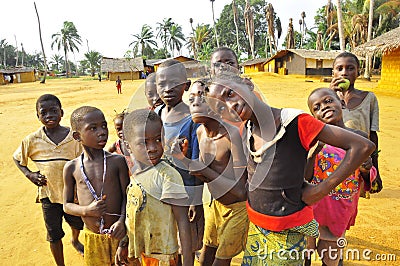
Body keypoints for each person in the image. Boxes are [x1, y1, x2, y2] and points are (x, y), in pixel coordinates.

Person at [205, 73, 375, 265]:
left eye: (230, 94)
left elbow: (362, 147)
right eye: (221, 108)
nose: (230, 106)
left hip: (289, 231)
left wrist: (321, 190)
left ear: (247, 84)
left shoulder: (295, 121)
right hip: (258, 230)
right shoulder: (247, 130)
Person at [305, 88, 377, 266]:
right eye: (317, 107)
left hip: (340, 209)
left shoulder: (358, 138)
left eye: (329, 101)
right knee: (303, 255)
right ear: (314, 116)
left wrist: (367, 169)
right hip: (312, 209)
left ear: (342, 103)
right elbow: (305, 177)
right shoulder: (313, 140)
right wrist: (313, 153)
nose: (324, 107)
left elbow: (368, 173)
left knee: (331, 258)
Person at [182, 79, 249, 266]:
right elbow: (202, 173)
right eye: (191, 98)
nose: (195, 103)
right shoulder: (199, 133)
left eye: (202, 97)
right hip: (213, 203)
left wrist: (203, 170)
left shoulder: (231, 136)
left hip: (236, 209)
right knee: (206, 254)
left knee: (221, 261)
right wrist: (182, 158)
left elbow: (241, 191)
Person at [13, 94, 84, 266]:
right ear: (38, 116)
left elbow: (85, 163)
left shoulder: (74, 138)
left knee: (77, 224)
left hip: (73, 195)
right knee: (53, 234)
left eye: (53, 111)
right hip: (48, 195)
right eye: (43, 113)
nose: (49, 116)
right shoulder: (32, 140)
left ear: (62, 113)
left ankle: (75, 240)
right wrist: (29, 174)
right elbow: (17, 158)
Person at [115, 109, 193, 266]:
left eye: (158, 140)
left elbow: (183, 223)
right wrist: (124, 244)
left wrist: (188, 263)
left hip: (162, 256)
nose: (153, 148)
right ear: (128, 146)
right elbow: (133, 213)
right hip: (139, 252)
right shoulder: (136, 173)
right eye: (144, 142)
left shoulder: (168, 175)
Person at [63, 106, 130, 266]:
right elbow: (67, 205)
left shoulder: (117, 162)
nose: (102, 132)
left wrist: (122, 221)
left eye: (104, 126)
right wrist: (86, 211)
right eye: (93, 128)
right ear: (77, 136)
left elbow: (128, 197)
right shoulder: (71, 168)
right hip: (92, 237)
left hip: (120, 234)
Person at [155, 59, 203, 264]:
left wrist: (196, 200)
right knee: (166, 235)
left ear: (185, 84)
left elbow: (197, 162)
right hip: (160, 189)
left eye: (173, 82)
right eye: (161, 84)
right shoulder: (156, 114)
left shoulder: (192, 118)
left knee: (187, 239)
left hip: (185, 189)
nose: (167, 89)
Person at [330, 51, 382, 195]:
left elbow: (373, 135)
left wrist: (375, 170)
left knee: (351, 198)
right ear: (333, 72)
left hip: (358, 160)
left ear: (358, 72)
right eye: (339, 68)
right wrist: (330, 95)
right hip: (331, 161)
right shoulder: (326, 99)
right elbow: (318, 128)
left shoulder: (369, 99)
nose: (344, 73)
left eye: (350, 68)